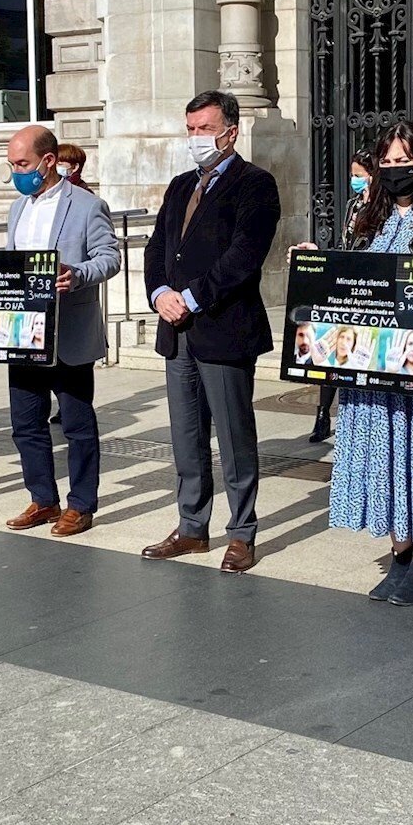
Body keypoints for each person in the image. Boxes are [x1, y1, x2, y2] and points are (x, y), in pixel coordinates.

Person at [298, 121, 413, 604]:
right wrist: (318, 262)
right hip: (373, 363)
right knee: (384, 459)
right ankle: (400, 553)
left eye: (404, 161)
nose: (394, 169)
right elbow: (352, 278)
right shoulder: (368, 215)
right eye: (386, 162)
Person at [140, 90, 281, 574]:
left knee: (234, 437)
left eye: (205, 129)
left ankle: (242, 532)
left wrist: (192, 297)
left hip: (223, 328)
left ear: (231, 132)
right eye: (191, 129)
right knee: (186, 436)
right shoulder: (181, 185)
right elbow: (157, 248)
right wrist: (160, 293)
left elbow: (244, 255)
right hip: (175, 330)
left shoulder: (255, 184)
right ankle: (191, 526)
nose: (196, 137)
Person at [0, 124, 121, 536]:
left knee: (76, 425)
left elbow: (109, 257)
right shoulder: (17, 208)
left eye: (22, 164)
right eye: (12, 165)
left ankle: (81, 505)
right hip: (24, 333)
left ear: (48, 161)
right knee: (25, 423)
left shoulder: (87, 205)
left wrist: (78, 274)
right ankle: (43, 499)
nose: (16, 172)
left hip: (69, 332)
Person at [309, 150, 377, 443]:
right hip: (346, 283)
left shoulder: (382, 207)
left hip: (369, 286)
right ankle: (323, 414)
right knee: (332, 353)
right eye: (352, 175)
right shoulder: (352, 205)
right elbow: (343, 242)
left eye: (359, 175)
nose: (354, 180)